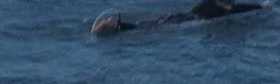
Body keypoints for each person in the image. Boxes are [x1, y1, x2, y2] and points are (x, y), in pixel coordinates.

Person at [91, 0, 263, 35]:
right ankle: (116, 26)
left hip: (179, 16)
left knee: (148, 24)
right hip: (185, 21)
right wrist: (261, 7)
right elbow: (239, 9)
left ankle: (117, 25)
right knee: (146, 28)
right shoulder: (225, 9)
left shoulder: (208, 2)